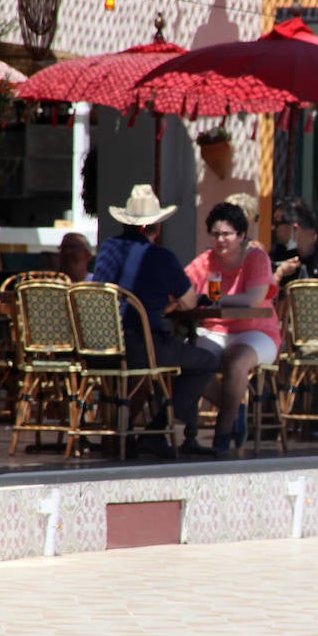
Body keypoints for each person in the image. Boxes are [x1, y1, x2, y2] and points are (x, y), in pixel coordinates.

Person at [91, 185, 219, 458]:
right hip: (140, 347)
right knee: (206, 361)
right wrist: (167, 304)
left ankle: (119, 434)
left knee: (156, 364)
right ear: (157, 228)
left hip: (99, 350)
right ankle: (160, 430)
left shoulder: (107, 249)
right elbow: (190, 303)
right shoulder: (161, 257)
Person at [185, 202, 282, 458]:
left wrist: (211, 300)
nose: (220, 240)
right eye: (215, 234)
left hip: (257, 331)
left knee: (236, 361)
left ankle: (223, 432)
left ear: (241, 235)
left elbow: (253, 298)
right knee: (192, 361)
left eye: (227, 234)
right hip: (215, 329)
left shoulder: (256, 258)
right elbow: (183, 287)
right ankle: (233, 407)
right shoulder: (205, 260)